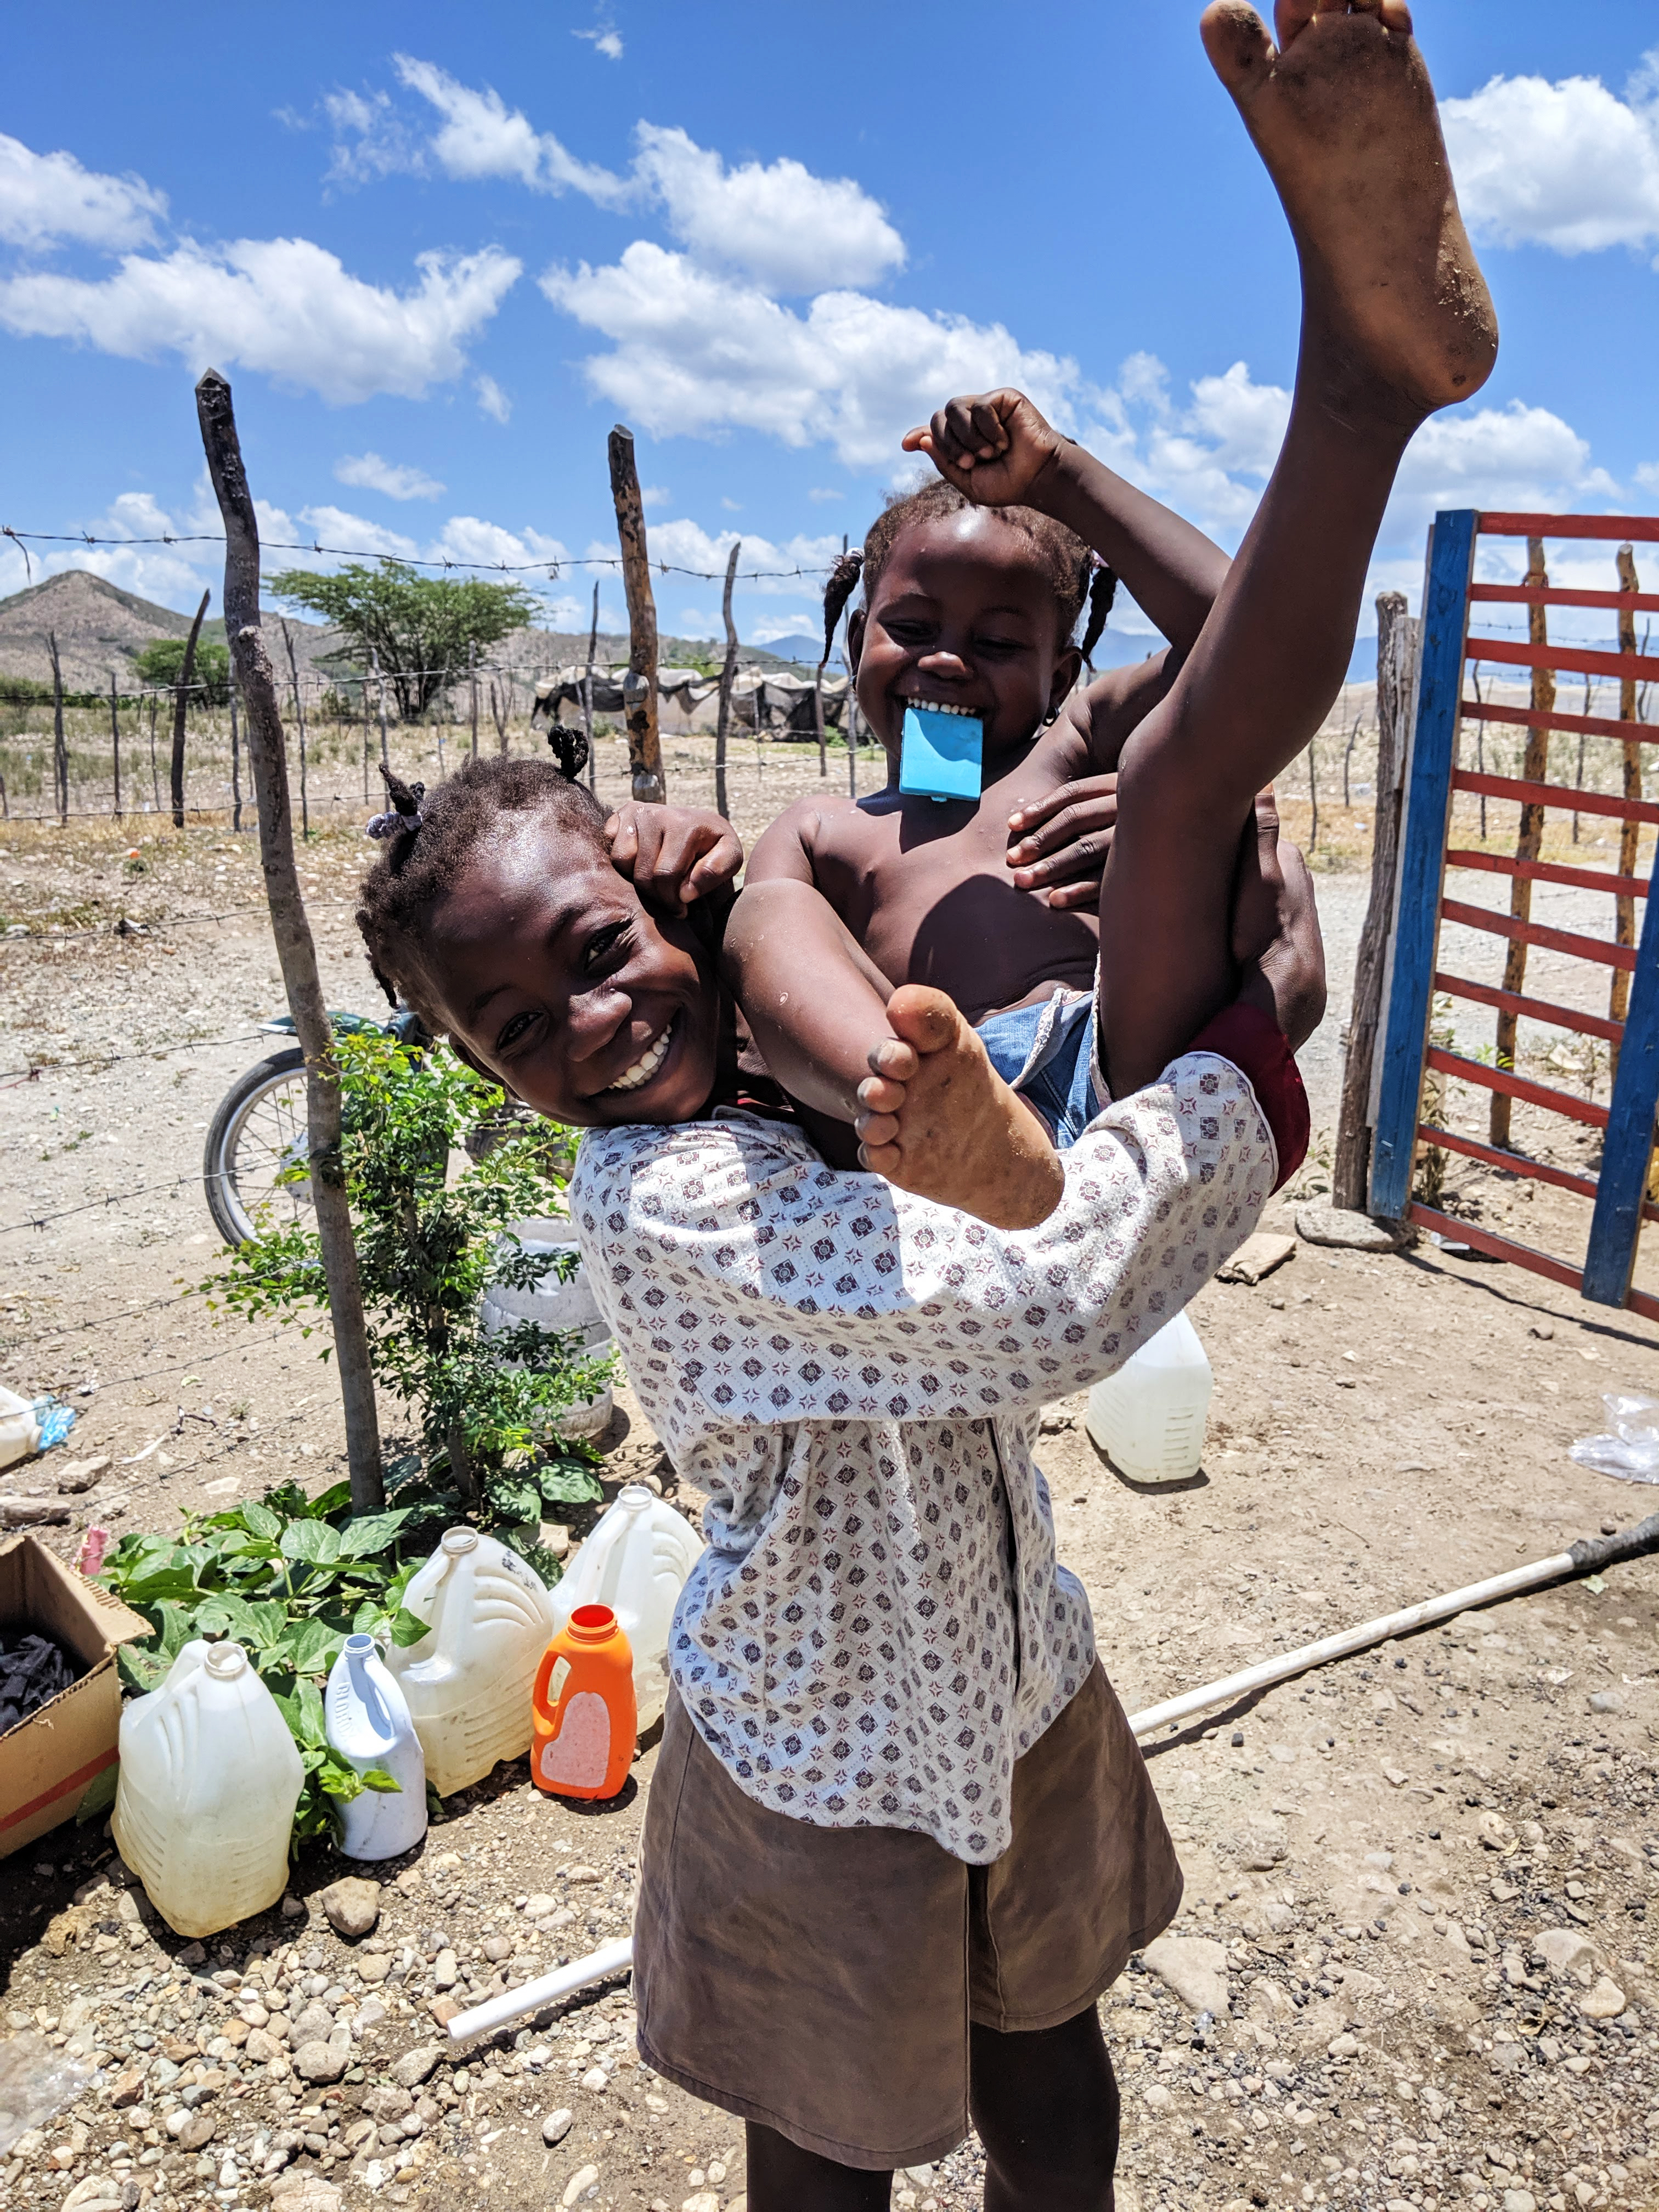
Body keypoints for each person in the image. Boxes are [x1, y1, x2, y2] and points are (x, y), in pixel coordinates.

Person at [726, 0, 1495, 1239]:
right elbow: (768, 976)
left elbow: (1232, 640)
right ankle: (928, 1102)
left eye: (998, 641)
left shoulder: (1072, 748)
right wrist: (907, 1078)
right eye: (911, 623)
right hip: (922, 1112)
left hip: (1122, 1088)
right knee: (764, 911)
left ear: (1066, 658)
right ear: (852, 627)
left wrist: (1063, 479)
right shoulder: (827, 831)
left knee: (1184, 772)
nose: (945, 660)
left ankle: (1361, 390)